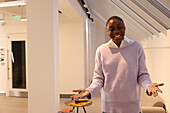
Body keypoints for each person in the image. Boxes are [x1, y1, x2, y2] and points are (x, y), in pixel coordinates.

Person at [71, 16, 164, 113]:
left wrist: (148, 86)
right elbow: (98, 78)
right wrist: (89, 90)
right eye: (112, 29)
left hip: (132, 107)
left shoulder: (136, 47)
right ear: (107, 31)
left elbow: (142, 75)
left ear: (124, 28)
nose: (116, 32)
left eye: (119, 27)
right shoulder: (101, 50)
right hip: (109, 108)